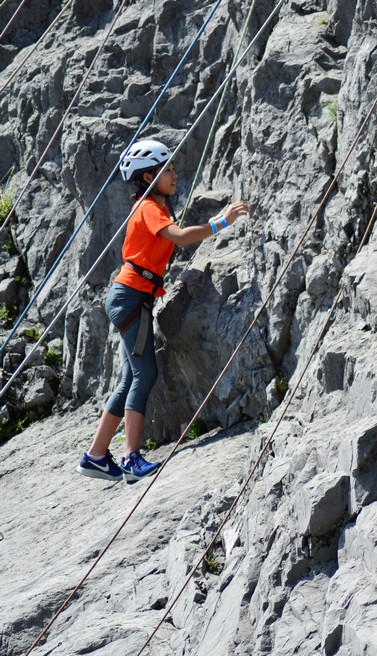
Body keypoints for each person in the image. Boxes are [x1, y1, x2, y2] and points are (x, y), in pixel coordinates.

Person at [76, 139, 249, 483]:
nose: (174, 174)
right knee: (144, 375)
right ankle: (130, 458)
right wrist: (221, 222)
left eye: (171, 168)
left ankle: (96, 455)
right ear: (148, 177)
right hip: (131, 298)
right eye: (166, 170)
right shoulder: (149, 209)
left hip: (130, 296)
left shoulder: (152, 207)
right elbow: (181, 237)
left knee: (131, 377)